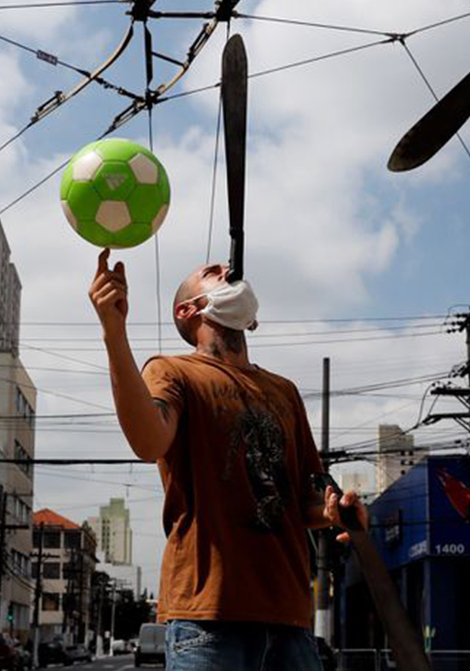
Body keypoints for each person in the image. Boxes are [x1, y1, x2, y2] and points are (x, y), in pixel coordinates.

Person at [89, 248, 368, 671]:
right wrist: (114, 332)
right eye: (212, 272)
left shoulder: (285, 391)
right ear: (189, 310)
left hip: (290, 618)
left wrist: (336, 512)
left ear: (252, 320)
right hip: (209, 618)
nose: (227, 270)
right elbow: (148, 442)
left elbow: (304, 500)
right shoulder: (172, 371)